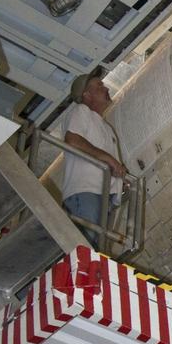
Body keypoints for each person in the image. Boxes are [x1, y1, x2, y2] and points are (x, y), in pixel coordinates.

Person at [62, 68, 127, 248]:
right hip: (85, 192)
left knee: (94, 250)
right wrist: (110, 160)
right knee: (85, 249)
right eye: (99, 86)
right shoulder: (80, 111)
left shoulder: (107, 129)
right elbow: (72, 140)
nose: (106, 88)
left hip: (104, 196)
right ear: (87, 95)